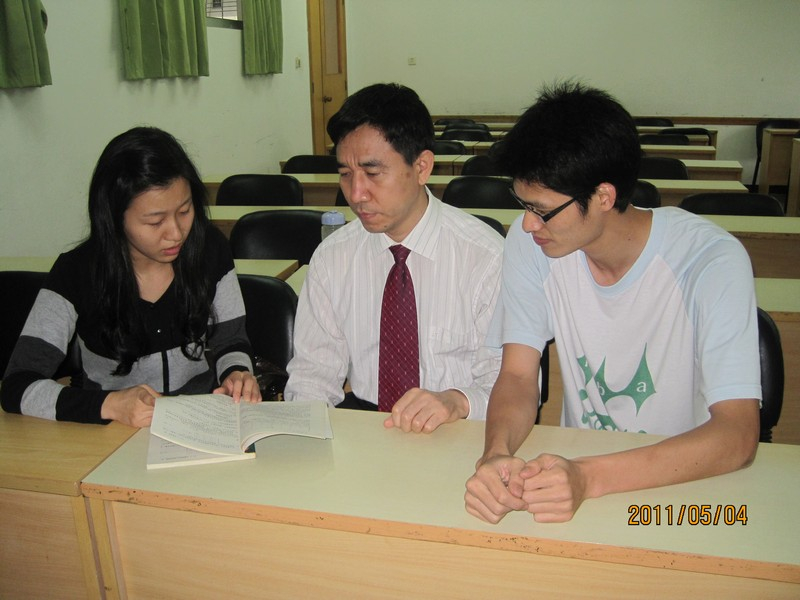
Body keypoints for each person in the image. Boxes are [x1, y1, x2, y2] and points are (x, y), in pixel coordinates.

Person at [464, 82, 761, 523]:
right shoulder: (532, 246)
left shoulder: (710, 261)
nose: (527, 224)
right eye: (522, 204)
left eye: (541, 210)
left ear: (604, 196)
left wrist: (589, 478)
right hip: (573, 475)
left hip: (685, 486)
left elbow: (737, 435)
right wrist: (496, 454)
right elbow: (518, 375)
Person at [1, 126, 261, 427]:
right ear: (115, 218)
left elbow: (231, 340)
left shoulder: (209, 250)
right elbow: (17, 386)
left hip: (198, 422)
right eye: (155, 222)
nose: (176, 233)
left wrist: (236, 373)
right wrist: (109, 404)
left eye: (185, 211)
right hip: (109, 432)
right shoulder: (76, 272)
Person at [283, 83, 503, 433]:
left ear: (422, 167)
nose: (356, 194)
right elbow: (313, 375)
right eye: (345, 174)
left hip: (458, 428)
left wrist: (457, 400)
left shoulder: (485, 258)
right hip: (366, 427)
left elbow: (512, 388)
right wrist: (303, 435)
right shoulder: (332, 257)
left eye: (373, 173)